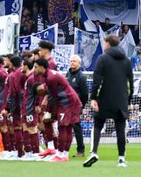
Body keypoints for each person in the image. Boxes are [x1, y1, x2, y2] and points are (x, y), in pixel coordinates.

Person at [86, 33, 133, 168]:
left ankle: (94, 151)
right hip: (121, 100)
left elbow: (97, 81)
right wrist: (127, 100)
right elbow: (130, 82)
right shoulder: (126, 60)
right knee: (120, 129)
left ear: (107, 44)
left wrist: (94, 98)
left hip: (105, 99)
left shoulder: (103, 58)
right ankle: (121, 158)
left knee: (98, 125)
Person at [33, 57, 83, 162]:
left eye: (36, 67)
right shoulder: (49, 75)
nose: (34, 69)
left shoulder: (50, 77)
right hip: (69, 102)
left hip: (67, 103)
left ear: (42, 67)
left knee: (63, 127)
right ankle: (64, 155)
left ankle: (60, 155)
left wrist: (49, 112)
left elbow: (53, 96)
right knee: (67, 128)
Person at [66, 54, 90, 157]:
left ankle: (81, 150)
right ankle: (64, 149)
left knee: (76, 127)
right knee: (65, 127)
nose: (72, 63)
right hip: (66, 105)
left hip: (76, 106)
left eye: (74, 61)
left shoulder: (81, 77)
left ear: (79, 63)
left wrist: (81, 106)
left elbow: (85, 94)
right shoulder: (67, 75)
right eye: (71, 61)